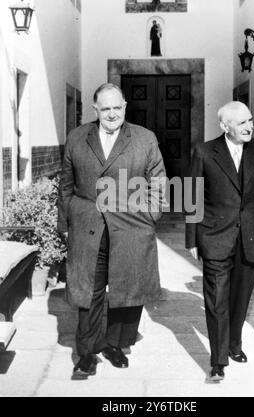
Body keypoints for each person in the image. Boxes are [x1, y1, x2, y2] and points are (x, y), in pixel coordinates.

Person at [57, 83, 166, 380]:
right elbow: (65, 185)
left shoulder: (144, 138)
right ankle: (87, 353)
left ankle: (117, 344)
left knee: (128, 286)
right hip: (87, 225)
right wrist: (65, 224)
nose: (112, 114)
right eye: (105, 109)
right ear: (95, 110)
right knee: (88, 291)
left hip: (131, 227)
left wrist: (150, 217)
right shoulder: (78, 138)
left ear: (125, 106)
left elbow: (158, 181)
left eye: (117, 107)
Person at [185, 101, 254, 382]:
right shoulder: (205, 151)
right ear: (225, 126)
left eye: (250, 121)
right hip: (215, 238)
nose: (250, 126)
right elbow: (192, 197)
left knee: (240, 298)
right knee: (217, 299)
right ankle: (218, 360)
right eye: (242, 122)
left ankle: (234, 344)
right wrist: (192, 239)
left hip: (251, 238)